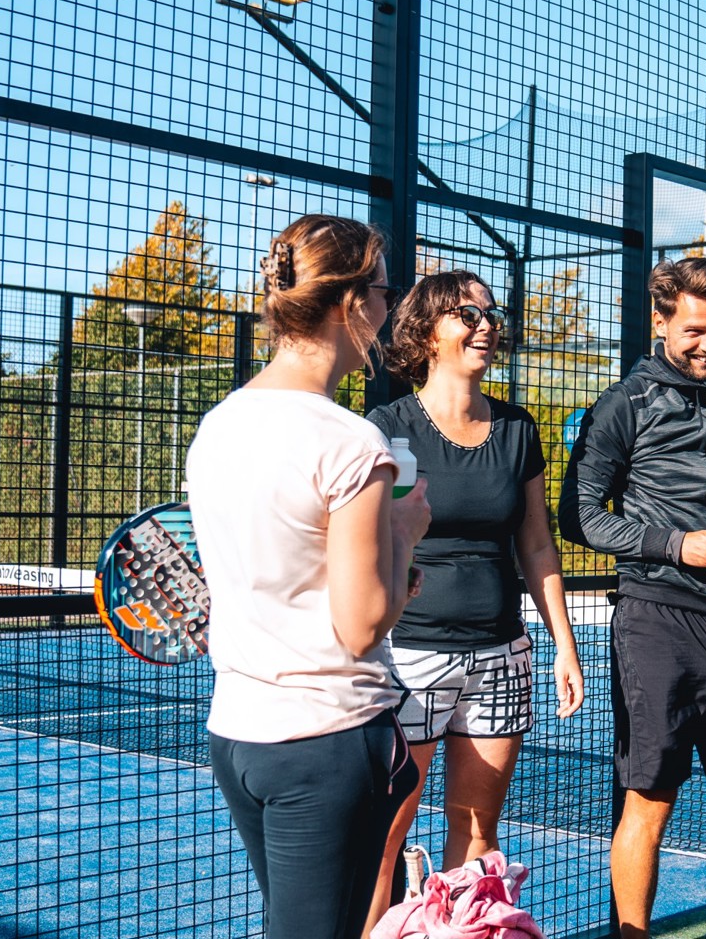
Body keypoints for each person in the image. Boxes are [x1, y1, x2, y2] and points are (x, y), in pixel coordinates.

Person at [186, 214, 433, 939]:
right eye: (386, 291)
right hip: (326, 740)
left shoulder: (218, 425)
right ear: (351, 302)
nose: (391, 310)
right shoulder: (349, 440)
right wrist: (404, 532)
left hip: (238, 737)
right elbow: (360, 624)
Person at [560, 257, 706, 939]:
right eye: (694, 330)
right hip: (653, 619)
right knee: (651, 799)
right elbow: (579, 518)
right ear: (660, 320)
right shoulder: (622, 405)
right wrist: (677, 545)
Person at [363, 270, 586, 928]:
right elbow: (366, 538)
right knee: (385, 832)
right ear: (429, 330)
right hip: (409, 658)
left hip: (499, 657)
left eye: (491, 313)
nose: (486, 324)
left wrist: (563, 648)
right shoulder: (389, 425)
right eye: (468, 313)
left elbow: (538, 545)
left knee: (477, 833)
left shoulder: (518, 430)